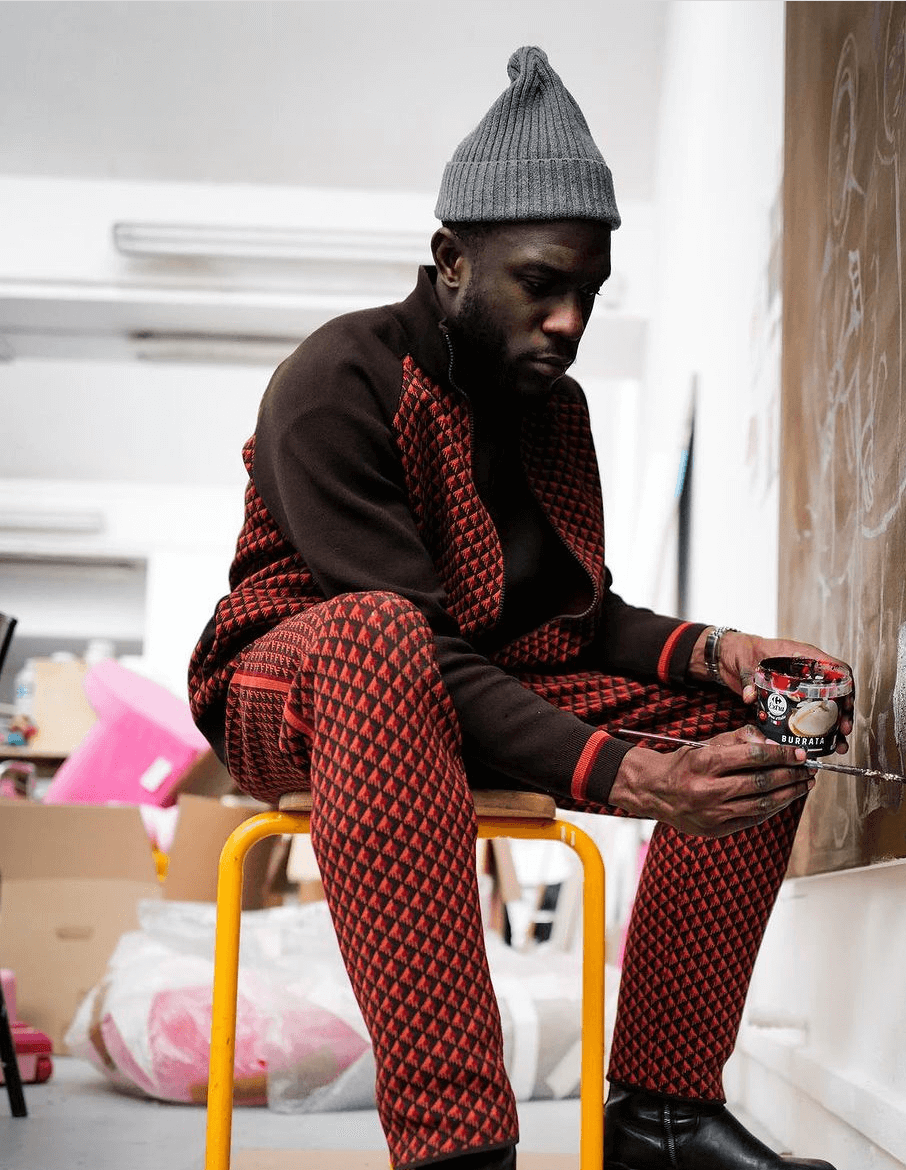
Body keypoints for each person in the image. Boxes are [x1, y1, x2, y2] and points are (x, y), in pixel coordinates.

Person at [189, 45, 850, 1170]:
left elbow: (573, 622)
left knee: (766, 726)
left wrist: (723, 654)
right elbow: (415, 647)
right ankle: (458, 1146)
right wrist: (626, 775)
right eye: (541, 283)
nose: (568, 320)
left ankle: (662, 1116)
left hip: (469, 672)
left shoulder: (558, 414)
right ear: (452, 257)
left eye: (588, 293)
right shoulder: (338, 378)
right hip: (293, 681)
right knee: (381, 638)